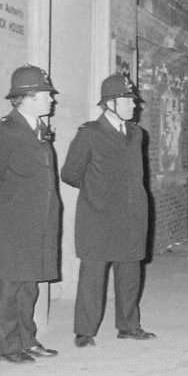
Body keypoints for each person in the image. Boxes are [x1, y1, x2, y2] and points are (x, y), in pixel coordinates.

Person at [0, 65, 62, 363]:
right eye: (46, 94)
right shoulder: (4, 131)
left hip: (39, 221)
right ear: (26, 98)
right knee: (11, 284)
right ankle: (6, 347)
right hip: (13, 220)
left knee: (29, 283)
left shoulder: (39, 130)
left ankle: (27, 339)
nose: (52, 99)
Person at [61, 73, 155, 346]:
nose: (134, 106)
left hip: (132, 216)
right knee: (93, 276)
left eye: (133, 101)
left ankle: (129, 325)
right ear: (110, 103)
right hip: (98, 217)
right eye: (128, 100)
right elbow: (70, 173)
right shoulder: (89, 133)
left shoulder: (137, 134)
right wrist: (98, 192)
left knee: (129, 274)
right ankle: (85, 331)